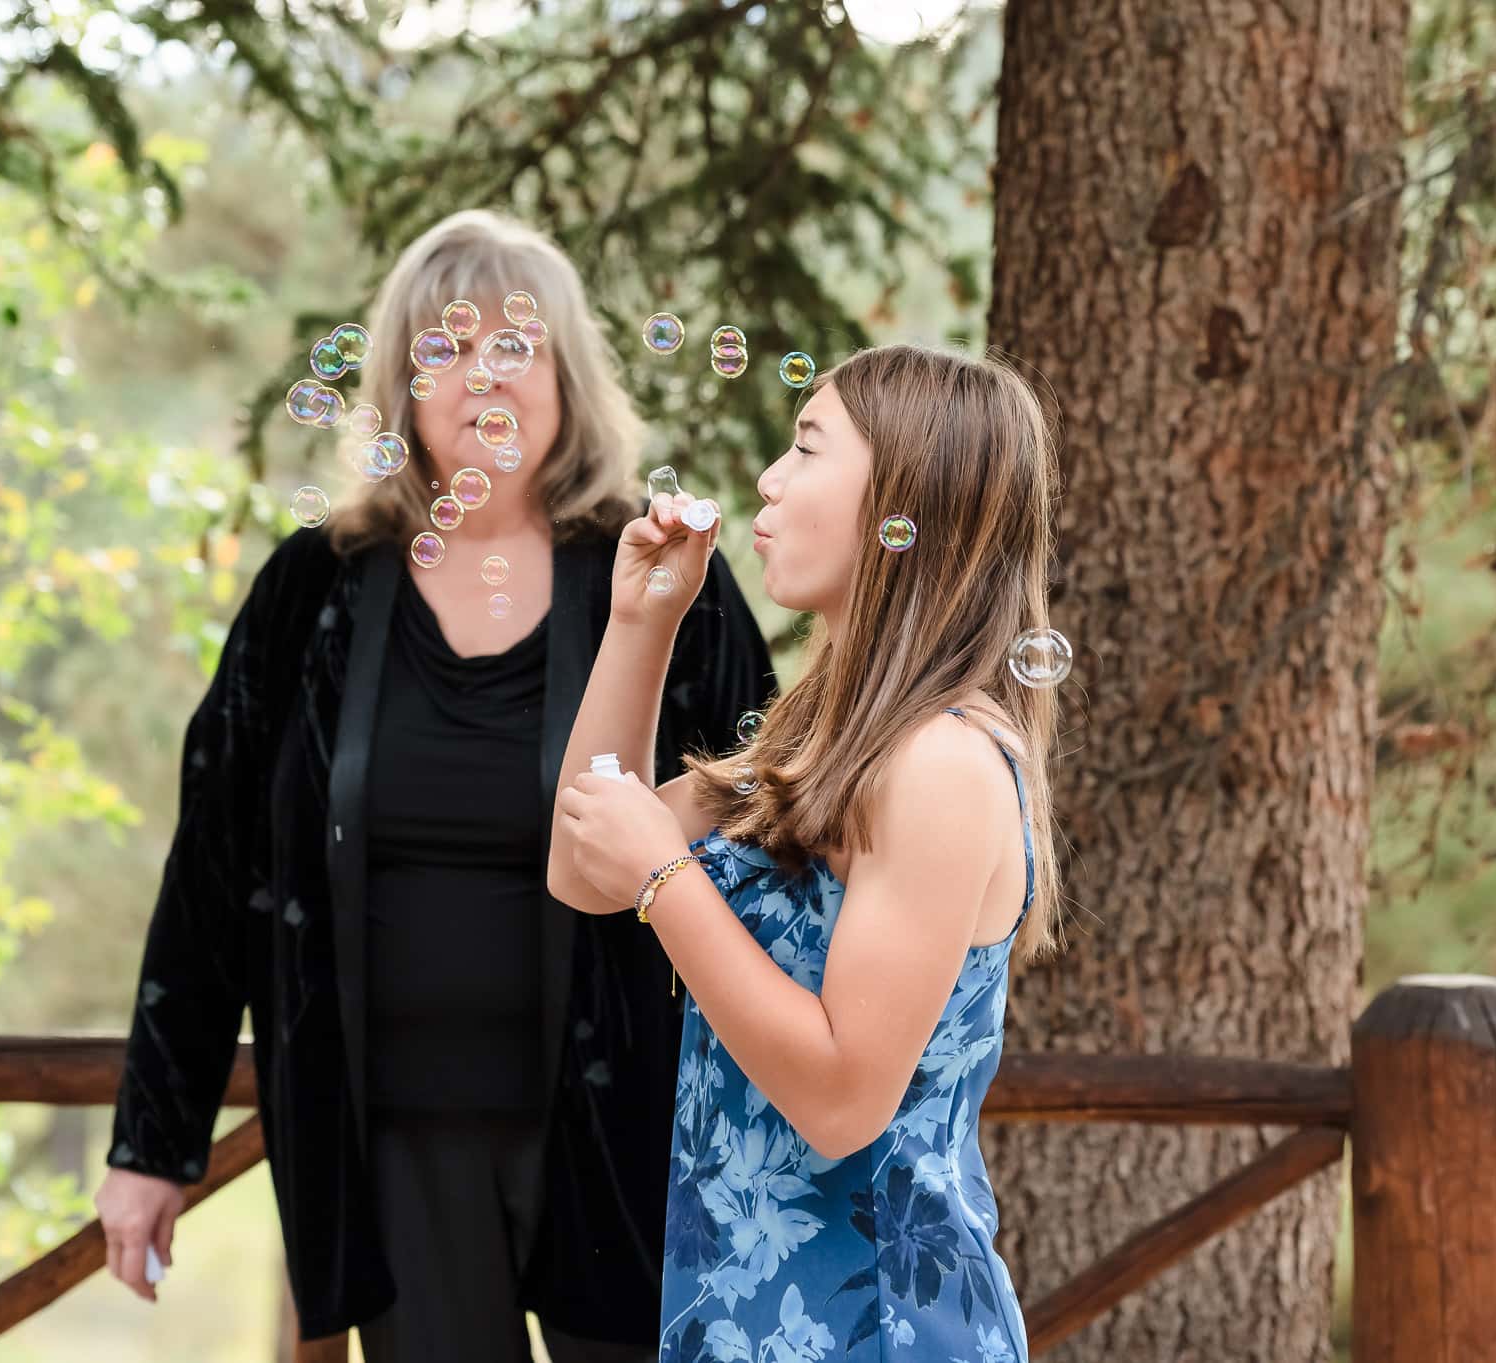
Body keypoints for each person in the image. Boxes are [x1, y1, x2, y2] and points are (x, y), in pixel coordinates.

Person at [93, 209, 776, 1362]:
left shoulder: (665, 580)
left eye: (520, 343)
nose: (484, 373)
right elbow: (212, 874)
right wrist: (152, 1145)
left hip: (632, 1134)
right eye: (449, 346)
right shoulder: (314, 589)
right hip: (391, 1141)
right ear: (399, 389)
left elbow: (764, 830)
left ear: (569, 379)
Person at [548, 343, 1064, 1362]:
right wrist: (640, 624)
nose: (766, 481)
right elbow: (584, 858)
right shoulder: (817, 743)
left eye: (804, 447)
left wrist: (667, 877)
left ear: (900, 504)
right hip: (741, 1317)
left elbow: (840, 1100)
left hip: (874, 1331)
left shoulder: (942, 764)